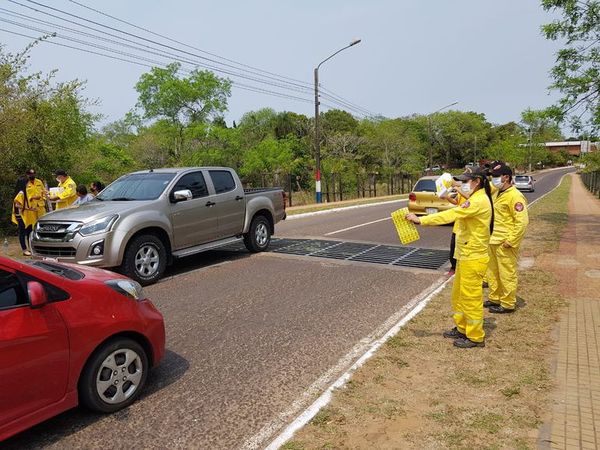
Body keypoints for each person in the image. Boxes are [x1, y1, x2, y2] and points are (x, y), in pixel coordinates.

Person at [406, 166, 494, 348]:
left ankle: (475, 336)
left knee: (471, 298)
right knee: (459, 296)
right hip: (466, 255)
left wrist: (421, 220)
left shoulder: (478, 201)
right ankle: (462, 328)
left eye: (466, 181)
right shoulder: (475, 197)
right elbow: (459, 206)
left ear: (477, 182)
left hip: (474, 256)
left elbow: (453, 213)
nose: (462, 185)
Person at [484, 162, 529, 313]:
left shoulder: (515, 196)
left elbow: (521, 222)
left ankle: (508, 303)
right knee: (492, 272)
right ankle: (495, 298)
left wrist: (511, 241)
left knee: (507, 273)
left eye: (497, 177)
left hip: (505, 242)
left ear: (506, 177)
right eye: (493, 176)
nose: (494, 179)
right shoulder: (496, 192)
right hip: (493, 239)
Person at [440, 180, 468, 276]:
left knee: (463, 248)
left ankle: (461, 268)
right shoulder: (461, 191)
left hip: (467, 226)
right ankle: (453, 267)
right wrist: (446, 197)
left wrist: (458, 189)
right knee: (453, 246)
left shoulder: (474, 193)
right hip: (458, 224)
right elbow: (456, 202)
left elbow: (471, 199)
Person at [11, 177, 36, 256]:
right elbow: (17, 205)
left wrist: (30, 208)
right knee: (22, 232)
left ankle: (30, 248)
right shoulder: (21, 193)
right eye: (27, 183)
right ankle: (24, 250)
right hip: (21, 215)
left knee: (29, 231)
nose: (29, 184)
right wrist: (28, 208)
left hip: (27, 215)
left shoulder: (25, 192)